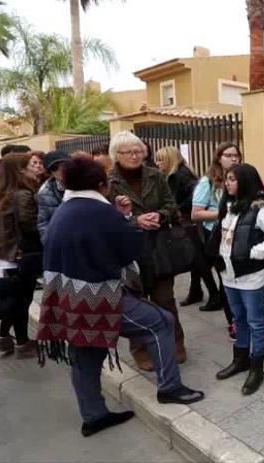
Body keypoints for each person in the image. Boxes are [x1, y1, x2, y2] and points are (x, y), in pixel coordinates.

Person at [36, 157, 204, 438]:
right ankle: (170, 388)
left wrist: (121, 217)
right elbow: (128, 250)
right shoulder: (98, 211)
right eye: (108, 180)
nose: (111, 183)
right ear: (99, 185)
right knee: (161, 322)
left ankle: (93, 416)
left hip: (66, 295)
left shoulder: (66, 209)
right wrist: (126, 219)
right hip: (97, 295)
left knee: (85, 354)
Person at [108, 131, 187, 370]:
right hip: (130, 251)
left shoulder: (155, 175)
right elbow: (107, 218)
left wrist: (160, 215)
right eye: (128, 152)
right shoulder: (109, 181)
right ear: (116, 155)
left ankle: (176, 344)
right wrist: (135, 222)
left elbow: (171, 205)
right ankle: (140, 349)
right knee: (136, 302)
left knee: (165, 299)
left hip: (159, 246)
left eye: (138, 151)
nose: (135, 156)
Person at [206, 164, 264, 395]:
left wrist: (253, 252)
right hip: (229, 275)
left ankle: (257, 366)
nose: (226, 183)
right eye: (227, 179)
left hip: (250, 277)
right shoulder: (229, 207)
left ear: (245, 181)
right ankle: (240, 359)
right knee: (238, 318)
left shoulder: (260, 210)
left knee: (255, 321)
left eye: (232, 179)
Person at [0, 152, 42, 359]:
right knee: (21, 299)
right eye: (31, 164)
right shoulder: (22, 194)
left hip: (8, 253)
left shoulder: (4, 192)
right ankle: (19, 341)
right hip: (19, 254)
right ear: (20, 170)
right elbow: (31, 226)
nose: (36, 167)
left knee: (16, 298)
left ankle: (9, 339)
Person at [155, 147, 221, 308]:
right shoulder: (175, 174)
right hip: (186, 221)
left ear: (169, 159)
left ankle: (214, 295)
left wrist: (178, 209)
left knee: (199, 260)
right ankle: (196, 291)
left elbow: (195, 195)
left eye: (161, 159)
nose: (158, 163)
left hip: (189, 223)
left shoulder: (181, 175)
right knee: (197, 259)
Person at [191, 142, 239, 336]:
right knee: (226, 280)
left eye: (236, 155)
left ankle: (242, 318)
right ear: (219, 158)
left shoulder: (241, 178)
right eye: (228, 155)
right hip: (218, 235)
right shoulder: (207, 182)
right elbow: (195, 214)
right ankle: (233, 323)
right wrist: (221, 214)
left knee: (239, 278)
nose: (233, 158)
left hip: (238, 234)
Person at [36, 150, 71, 244]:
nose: (61, 170)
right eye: (55, 168)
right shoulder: (45, 192)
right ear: (50, 172)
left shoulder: (86, 183)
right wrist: (51, 245)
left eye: (64, 165)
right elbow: (44, 223)